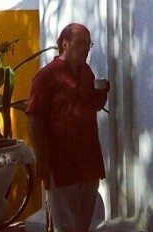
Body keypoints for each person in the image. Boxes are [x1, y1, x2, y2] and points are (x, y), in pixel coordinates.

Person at [26, 22, 109, 232]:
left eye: (88, 45)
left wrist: (102, 94)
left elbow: (94, 105)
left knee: (83, 224)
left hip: (88, 160)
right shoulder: (47, 76)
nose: (85, 49)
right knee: (65, 225)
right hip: (61, 163)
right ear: (65, 44)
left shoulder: (86, 72)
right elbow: (34, 118)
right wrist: (41, 158)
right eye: (80, 43)